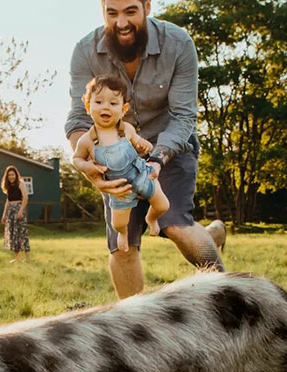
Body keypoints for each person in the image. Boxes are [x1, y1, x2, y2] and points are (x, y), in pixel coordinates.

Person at [65, 0, 225, 299]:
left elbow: (183, 117)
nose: (121, 22)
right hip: (113, 157)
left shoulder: (178, 43)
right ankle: (132, 330)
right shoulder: (85, 51)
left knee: (175, 225)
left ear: (147, 7)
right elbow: (77, 118)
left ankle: (228, 298)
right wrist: (87, 165)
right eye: (112, 13)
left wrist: (156, 161)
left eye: (130, 12)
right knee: (123, 245)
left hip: (170, 148)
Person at [73, 74, 170, 252]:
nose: (106, 107)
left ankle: (151, 219)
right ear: (88, 106)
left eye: (113, 103)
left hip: (140, 174)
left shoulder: (126, 129)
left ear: (123, 109)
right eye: (99, 102)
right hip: (119, 188)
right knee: (118, 223)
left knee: (163, 205)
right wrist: (86, 166)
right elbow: (76, 158)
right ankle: (122, 233)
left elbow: (138, 142)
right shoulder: (88, 140)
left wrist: (145, 144)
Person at [0, 165, 30, 263]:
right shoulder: (8, 186)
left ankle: (27, 258)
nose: (11, 177)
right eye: (9, 175)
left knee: (22, 233)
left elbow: (25, 198)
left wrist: (20, 211)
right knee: (13, 233)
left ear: (16, 175)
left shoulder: (20, 183)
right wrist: (4, 214)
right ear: (7, 177)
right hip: (10, 210)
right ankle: (17, 258)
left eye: (13, 175)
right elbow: (8, 201)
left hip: (19, 209)